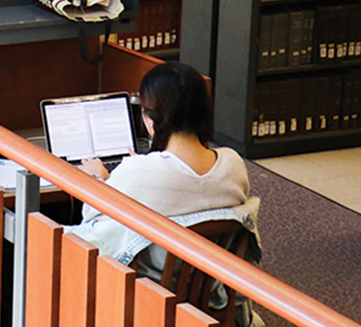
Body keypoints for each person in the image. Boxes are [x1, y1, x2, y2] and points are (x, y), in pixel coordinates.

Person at [71, 61, 263, 327]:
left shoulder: (137, 172)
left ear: (151, 121)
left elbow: (91, 218)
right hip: (210, 294)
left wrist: (98, 178)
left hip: (152, 295)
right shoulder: (233, 165)